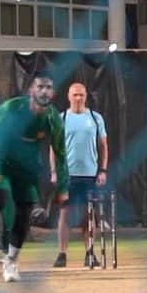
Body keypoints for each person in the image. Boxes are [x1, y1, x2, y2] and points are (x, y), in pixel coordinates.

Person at [0, 74, 67, 283]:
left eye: (49, 87)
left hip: (26, 167)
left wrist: (63, 186)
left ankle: (10, 261)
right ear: (31, 91)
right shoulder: (11, 109)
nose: (45, 91)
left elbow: (61, 153)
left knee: (23, 216)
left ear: (53, 92)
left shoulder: (53, 119)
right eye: (40, 87)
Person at [54, 82, 110, 269]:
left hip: (89, 175)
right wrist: (54, 171)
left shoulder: (95, 118)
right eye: (75, 95)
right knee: (65, 214)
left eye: (82, 95)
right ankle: (62, 253)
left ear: (86, 97)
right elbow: (53, 148)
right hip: (67, 175)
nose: (78, 98)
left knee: (89, 216)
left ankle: (90, 252)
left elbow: (103, 146)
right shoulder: (61, 119)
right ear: (69, 96)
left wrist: (102, 170)